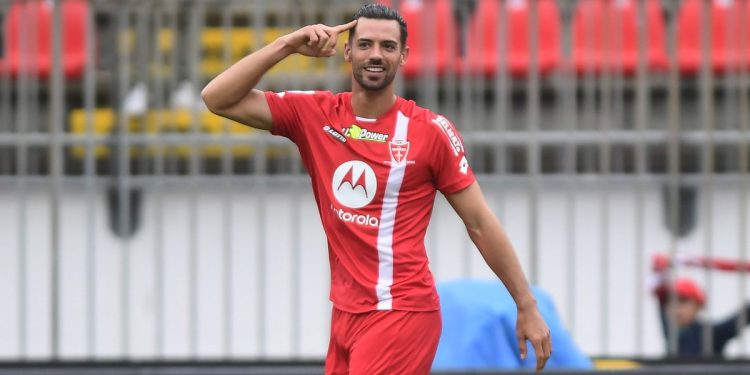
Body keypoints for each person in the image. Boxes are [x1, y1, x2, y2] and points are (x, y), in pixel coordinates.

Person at [201, 4, 551, 374]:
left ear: (404, 56)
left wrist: (525, 303)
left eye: (387, 47)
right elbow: (216, 98)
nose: (376, 55)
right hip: (346, 314)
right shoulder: (315, 115)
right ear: (347, 51)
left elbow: (479, 221)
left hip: (401, 313)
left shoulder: (430, 131)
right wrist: (287, 44)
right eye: (365, 44)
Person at [652, 256, 750, 356]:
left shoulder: (711, 334)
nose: (676, 308)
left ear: (698, 306)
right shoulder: (672, 333)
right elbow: (659, 296)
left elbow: (744, 316)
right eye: (670, 302)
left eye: (683, 301)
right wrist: (660, 269)